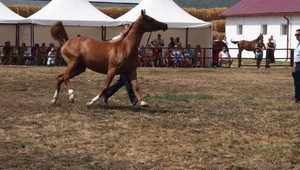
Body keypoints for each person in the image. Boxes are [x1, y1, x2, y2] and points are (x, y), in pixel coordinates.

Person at [102, 24, 148, 106]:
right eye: (126, 29)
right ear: (123, 30)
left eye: (129, 29)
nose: (128, 31)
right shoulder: (117, 38)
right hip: (119, 63)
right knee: (126, 80)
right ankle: (133, 98)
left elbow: (135, 50)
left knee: (122, 81)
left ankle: (106, 94)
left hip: (128, 64)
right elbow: (109, 45)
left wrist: (143, 56)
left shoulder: (130, 39)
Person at [292, 29, 300, 103]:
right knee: (296, 81)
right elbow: (297, 55)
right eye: (295, 35)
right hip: (297, 64)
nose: (296, 36)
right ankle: (297, 98)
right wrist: (295, 64)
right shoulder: (297, 43)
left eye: (298, 35)